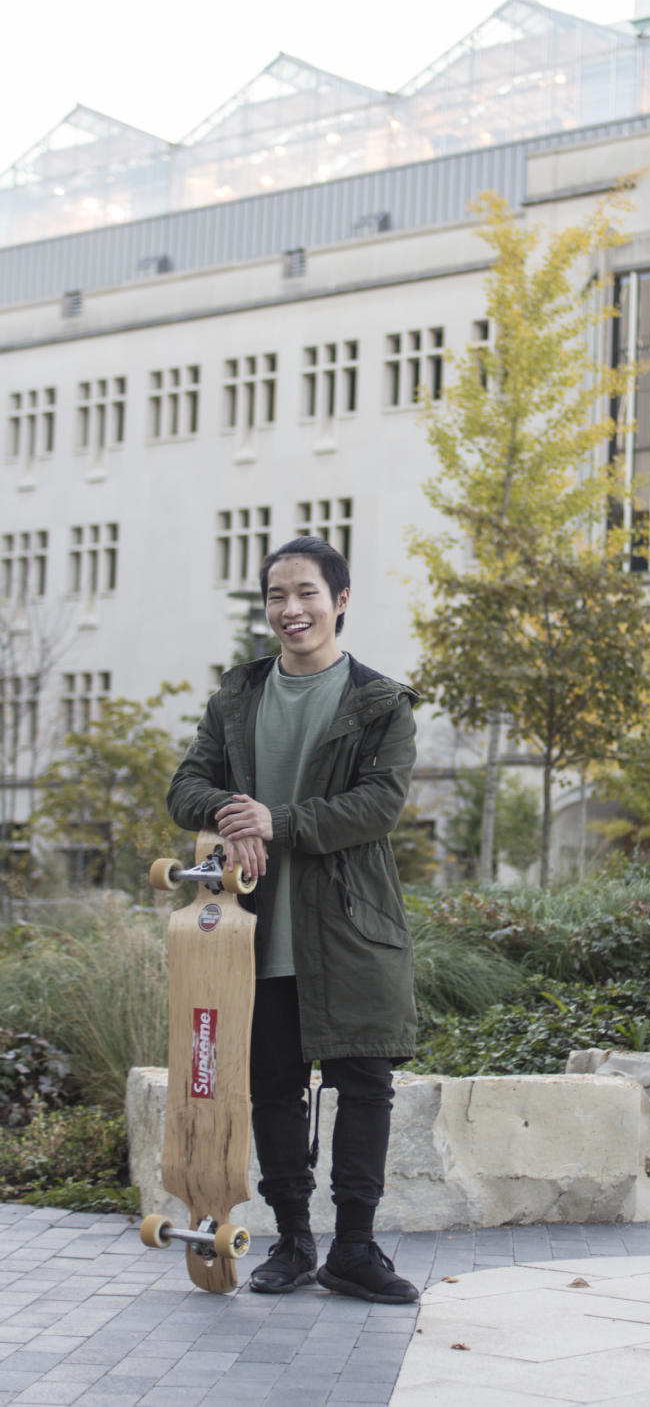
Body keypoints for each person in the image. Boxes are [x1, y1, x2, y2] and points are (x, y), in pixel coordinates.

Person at [166, 536, 420, 1303]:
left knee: (363, 1082)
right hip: (251, 927)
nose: (290, 609)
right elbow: (186, 786)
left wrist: (273, 820)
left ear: (339, 600)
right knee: (273, 1085)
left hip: (349, 923)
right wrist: (231, 814)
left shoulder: (380, 701)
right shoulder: (236, 696)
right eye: (277, 595)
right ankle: (295, 1244)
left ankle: (354, 1248)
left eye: (306, 593)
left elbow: (377, 807)